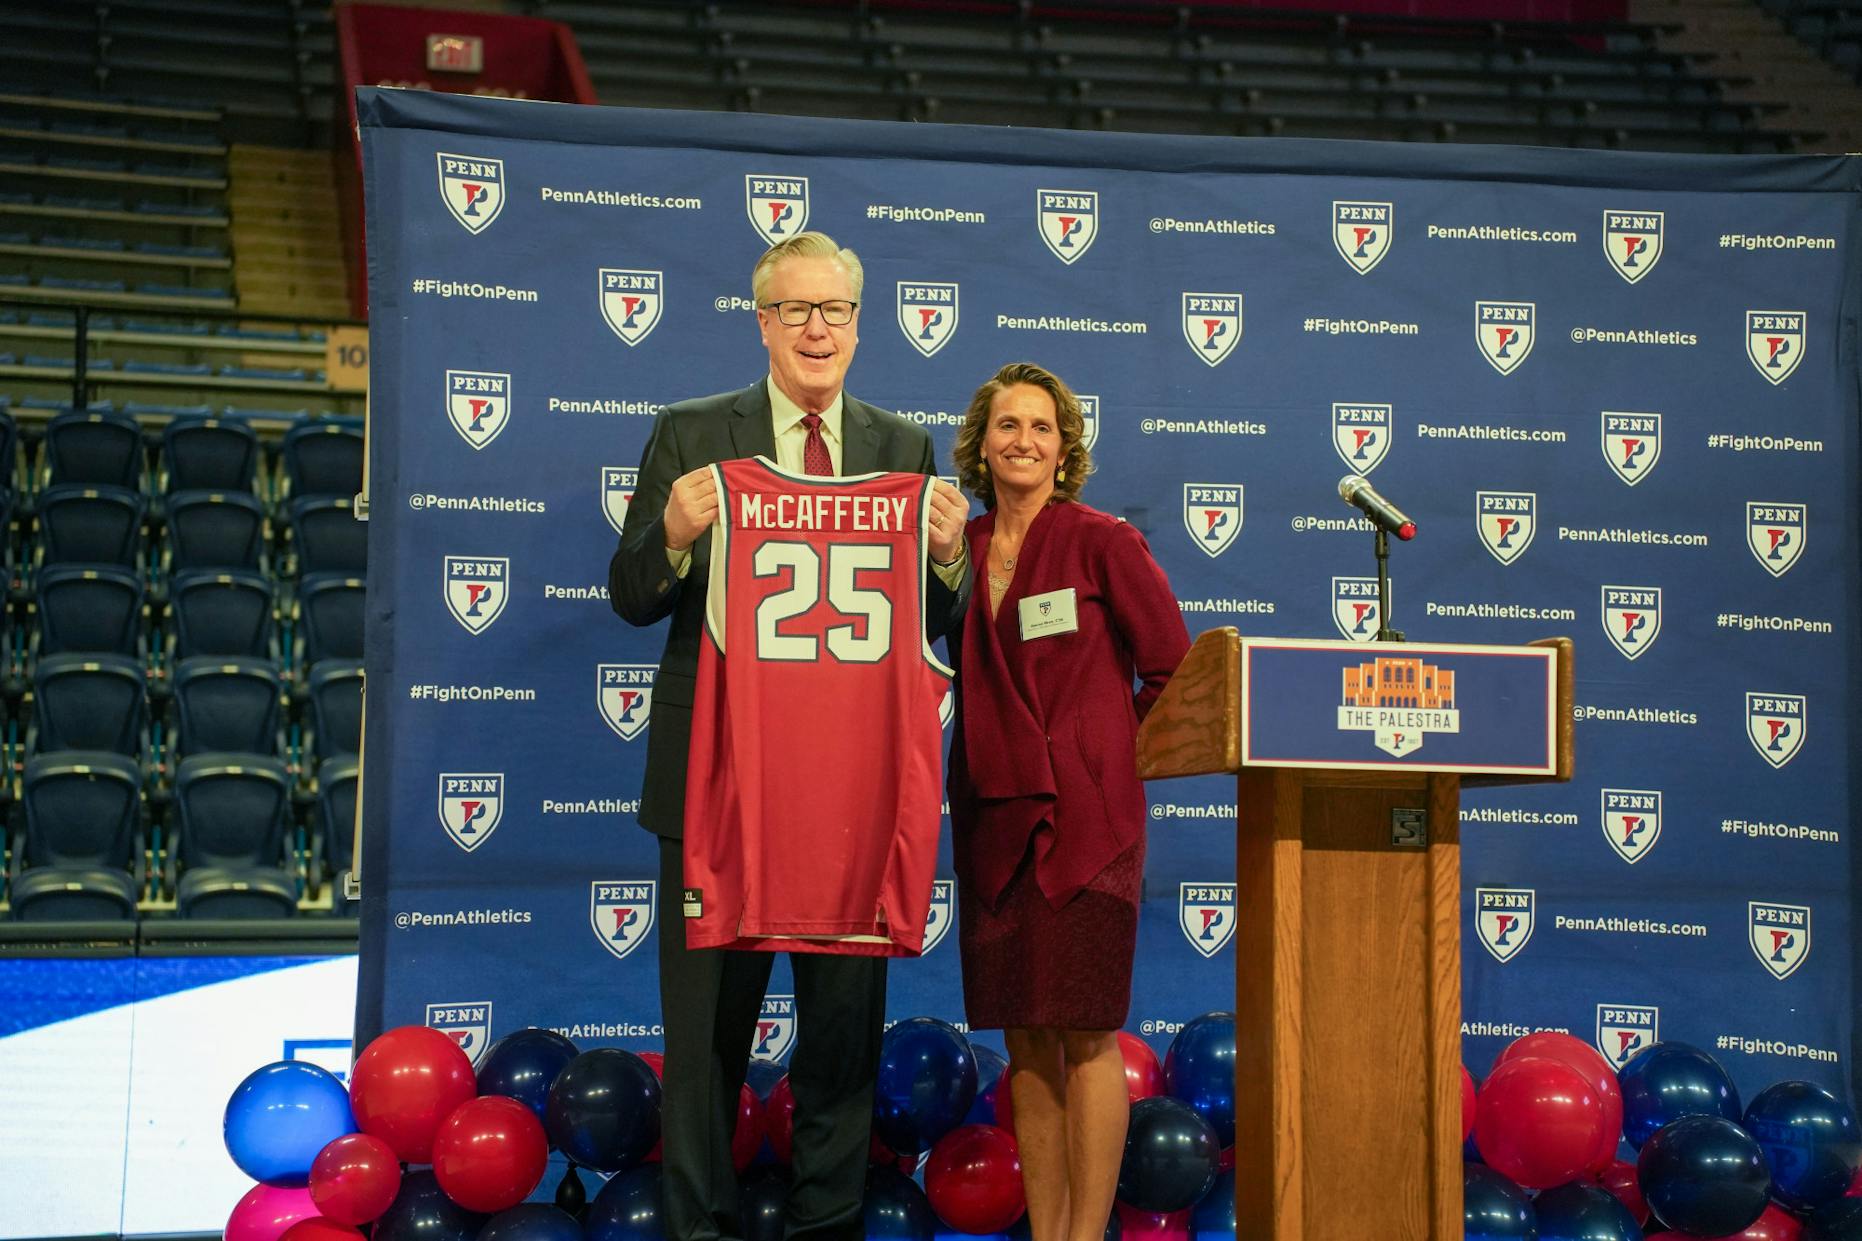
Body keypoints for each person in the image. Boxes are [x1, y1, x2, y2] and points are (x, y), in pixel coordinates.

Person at [608, 231, 972, 1241]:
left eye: (836, 310)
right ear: (761, 321)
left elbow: (935, 625)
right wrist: (671, 536)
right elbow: (630, 594)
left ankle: (826, 1223)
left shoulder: (903, 448)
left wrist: (948, 561)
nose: (817, 328)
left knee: (841, 1038)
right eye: (795, 310)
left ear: (858, 324)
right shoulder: (690, 433)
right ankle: (697, 1229)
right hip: (713, 786)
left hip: (849, 792)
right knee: (705, 1040)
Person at [945, 362, 1190, 1241]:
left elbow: (1174, 671)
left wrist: (1099, 753)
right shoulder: (958, 550)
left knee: (1086, 1036)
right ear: (982, 444)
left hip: (1089, 829)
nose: (1025, 441)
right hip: (992, 820)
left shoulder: (1101, 540)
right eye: (1008, 425)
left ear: (1065, 446)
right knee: (1025, 1046)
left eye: (1042, 427)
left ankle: (1087, 1235)